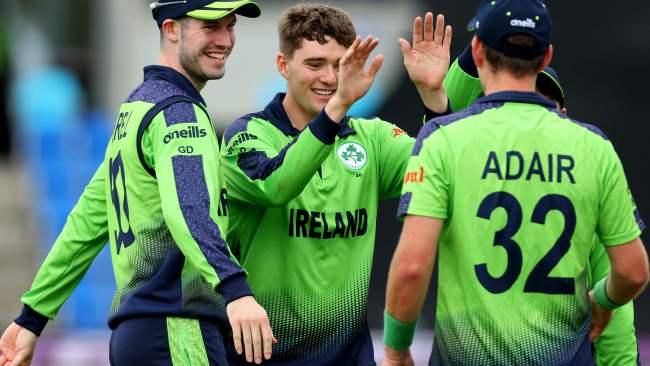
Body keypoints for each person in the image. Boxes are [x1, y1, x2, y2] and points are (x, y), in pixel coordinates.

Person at [0, 1, 276, 365]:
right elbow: (189, 209)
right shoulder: (179, 112)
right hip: (176, 328)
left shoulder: (137, 108)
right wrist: (236, 290)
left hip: (137, 335)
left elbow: (87, 221)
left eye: (230, 26)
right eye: (210, 26)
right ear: (170, 29)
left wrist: (31, 317)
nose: (225, 39)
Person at [382, 0, 649, 365]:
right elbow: (634, 271)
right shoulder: (594, 148)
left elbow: (412, 268)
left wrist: (397, 350)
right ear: (545, 57)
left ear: (477, 51)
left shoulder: (445, 140)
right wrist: (602, 300)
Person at [219, 4, 451, 365]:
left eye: (339, 66)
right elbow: (276, 184)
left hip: (349, 356)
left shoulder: (371, 139)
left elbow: (443, 172)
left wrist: (434, 98)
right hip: (264, 357)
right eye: (314, 64)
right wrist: (338, 106)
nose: (329, 78)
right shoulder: (247, 136)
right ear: (284, 66)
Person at [440, 41, 644, 366]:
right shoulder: (463, 177)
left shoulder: (586, 185)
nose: (527, 110)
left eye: (542, 102)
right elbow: (445, 128)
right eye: (517, 100)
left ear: (563, 115)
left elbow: (617, 304)